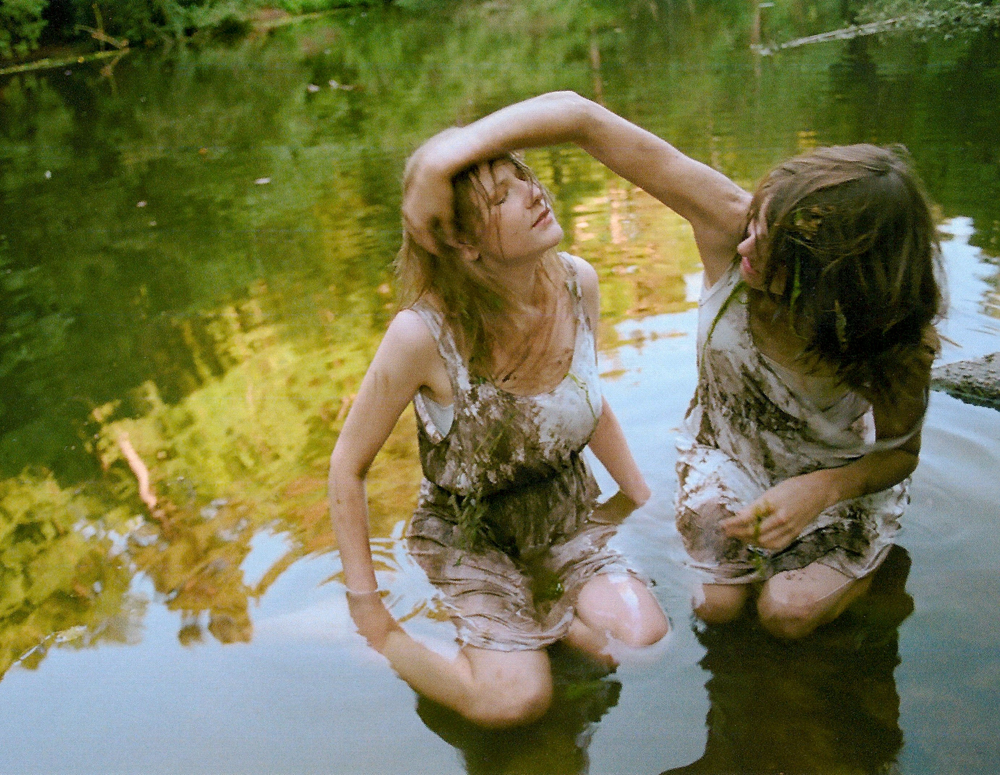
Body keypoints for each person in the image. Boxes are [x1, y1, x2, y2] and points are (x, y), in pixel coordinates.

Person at [402, 91, 942, 641]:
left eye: (772, 245)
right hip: (727, 457)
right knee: (716, 608)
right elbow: (581, 119)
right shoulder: (733, 223)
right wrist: (438, 161)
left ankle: (866, 596)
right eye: (758, 220)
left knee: (787, 613)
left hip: (836, 479)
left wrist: (821, 491)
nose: (746, 243)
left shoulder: (891, 334)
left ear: (836, 278)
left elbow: (900, 455)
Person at [329, 151, 669, 729]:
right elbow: (347, 465)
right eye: (502, 197)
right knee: (514, 702)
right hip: (470, 536)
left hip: (565, 513)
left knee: (642, 644)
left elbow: (585, 395)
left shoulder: (577, 283)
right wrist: (369, 610)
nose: (535, 193)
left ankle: (541, 614)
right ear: (464, 243)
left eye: (524, 179)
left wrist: (637, 495)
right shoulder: (422, 334)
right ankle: (400, 646)